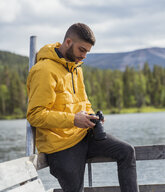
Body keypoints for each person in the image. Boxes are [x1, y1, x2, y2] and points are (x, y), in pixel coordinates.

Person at [27, 23, 139, 192]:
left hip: (83, 135)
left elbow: (84, 102)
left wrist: (92, 116)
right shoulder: (43, 70)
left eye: (87, 51)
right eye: (82, 50)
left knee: (126, 151)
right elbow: (35, 115)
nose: (84, 56)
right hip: (60, 146)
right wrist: (73, 119)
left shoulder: (76, 68)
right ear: (68, 42)